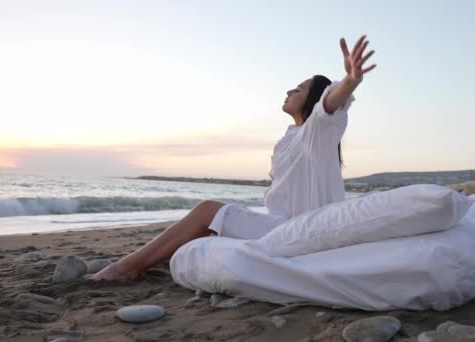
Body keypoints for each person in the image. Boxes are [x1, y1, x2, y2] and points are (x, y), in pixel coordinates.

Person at [90, 35, 376, 281]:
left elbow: (332, 101)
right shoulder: (290, 138)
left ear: (313, 99)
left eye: (298, 89)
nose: (289, 91)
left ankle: (125, 268)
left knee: (207, 211)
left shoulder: (318, 130)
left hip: (300, 230)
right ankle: (153, 260)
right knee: (211, 229)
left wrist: (350, 80)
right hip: (280, 225)